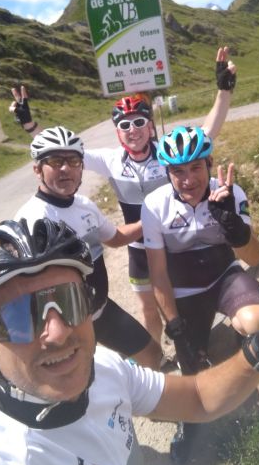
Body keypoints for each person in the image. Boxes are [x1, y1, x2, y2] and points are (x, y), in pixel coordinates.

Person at [0, 218, 259, 465]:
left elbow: (197, 397)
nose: (58, 331)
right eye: (19, 317)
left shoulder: (107, 370)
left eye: (69, 301)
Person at [9, 47, 237, 346]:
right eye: (124, 125)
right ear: (117, 131)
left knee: (180, 302)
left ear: (151, 126)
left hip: (174, 242)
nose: (133, 130)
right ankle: (155, 364)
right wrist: (29, 124)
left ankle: (193, 344)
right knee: (149, 311)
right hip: (139, 248)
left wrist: (223, 91)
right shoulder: (110, 161)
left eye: (140, 122)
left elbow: (208, 132)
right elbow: (63, 152)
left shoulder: (168, 154)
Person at [141, 125, 259, 461]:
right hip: (184, 290)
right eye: (177, 171)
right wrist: (173, 324)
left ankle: (239, 354)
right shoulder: (154, 205)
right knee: (194, 375)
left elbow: (255, 257)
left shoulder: (230, 193)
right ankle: (191, 423)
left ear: (209, 163)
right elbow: (157, 274)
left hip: (224, 276)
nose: (188, 180)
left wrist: (232, 225)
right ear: (167, 172)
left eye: (196, 168)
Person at [15, 125, 162, 369]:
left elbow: (115, 238)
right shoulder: (31, 220)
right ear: (37, 169)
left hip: (100, 311)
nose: (65, 168)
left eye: (73, 160)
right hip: (67, 327)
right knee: (83, 385)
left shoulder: (85, 206)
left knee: (152, 356)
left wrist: (150, 219)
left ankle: (133, 390)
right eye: (55, 160)